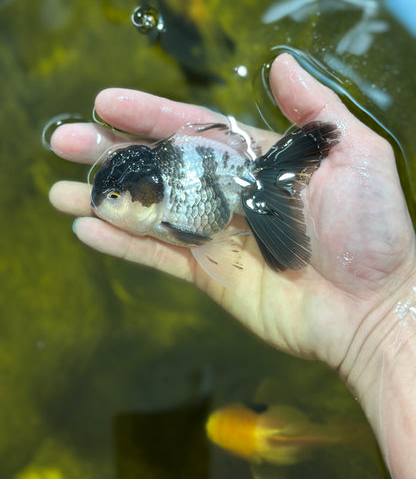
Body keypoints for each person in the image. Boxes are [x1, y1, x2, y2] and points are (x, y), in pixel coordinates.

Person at [49, 53, 416, 478]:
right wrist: (387, 321)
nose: (105, 208)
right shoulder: (160, 199)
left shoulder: (168, 214)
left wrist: (386, 314)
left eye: (114, 200)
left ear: (143, 199)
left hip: (227, 179)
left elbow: (201, 241)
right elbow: (205, 243)